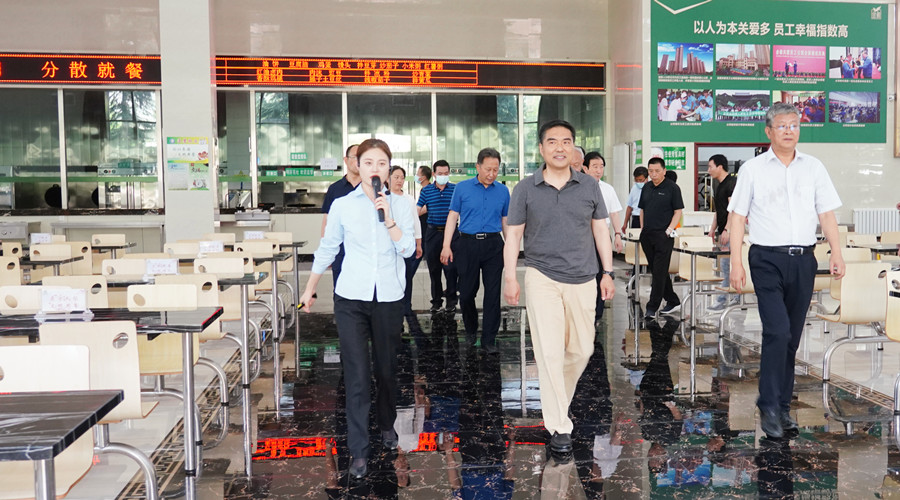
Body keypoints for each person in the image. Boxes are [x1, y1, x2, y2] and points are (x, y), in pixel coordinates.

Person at [299, 138, 416, 478]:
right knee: (357, 376)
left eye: (382, 163)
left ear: (389, 169)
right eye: (368, 163)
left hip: (389, 298)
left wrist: (389, 219)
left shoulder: (402, 205)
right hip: (351, 297)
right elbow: (328, 247)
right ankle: (359, 450)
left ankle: (387, 424)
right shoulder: (343, 205)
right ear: (357, 166)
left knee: (387, 371)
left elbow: (408, 250)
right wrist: (310, 287)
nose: (375, 169)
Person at [727, 102, 845, 439]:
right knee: (777, 331)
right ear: (769, 131)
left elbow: (826, 214)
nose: (789, 131)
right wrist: (736, 261)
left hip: (804, 260)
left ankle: (781, 406)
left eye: (794, 125)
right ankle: (767, 404)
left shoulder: (814, 167)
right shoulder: (753, 169)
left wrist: (836, 252)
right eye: (782, 126)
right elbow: (737, 217)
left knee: (791, 337)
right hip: (766, 259)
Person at [503, 119, 615, 457]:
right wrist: (511, 276)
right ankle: (559, 425)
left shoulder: (589, 186)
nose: (559, 147)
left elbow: (600, 230)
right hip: (542, 276)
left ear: (573, 148)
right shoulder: (525, 188)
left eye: (566, 141)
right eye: (552, 141)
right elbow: (514, 235)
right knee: (549, 352)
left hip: (584, 277)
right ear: (541, 148)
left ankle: (557, 401)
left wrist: (608, 272)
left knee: (581, 350)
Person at [440, 147, 509, 353]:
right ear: (478, 167)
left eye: (495, 170)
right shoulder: (462, 188)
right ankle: (471, 330)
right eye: (488, 169)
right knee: (467, 292)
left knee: (493, 293)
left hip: (493, 245)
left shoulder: (503, 191)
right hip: (467, 244)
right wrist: (446, 245)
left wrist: (511, 247)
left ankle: (489, 339)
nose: (492, 174)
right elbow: (453, 216)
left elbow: (505, 221)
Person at [639, 157, 684, 318]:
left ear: (664, 171)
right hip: (647, 235)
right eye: (650, 171)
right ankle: (673, 300)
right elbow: (642, 209)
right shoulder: (647, 187)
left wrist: (669, 230)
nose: (653, 174)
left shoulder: (672, 188)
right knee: (659, 270)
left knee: (658, 272)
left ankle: (652, 307)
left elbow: (678, 211)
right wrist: (643, 229)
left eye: (657, 171)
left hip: (663, 236)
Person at [583, 151, 624, 321]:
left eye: (601, 167)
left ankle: (597, 311)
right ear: (585, 168)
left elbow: (614, 213)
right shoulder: (579, 188)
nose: (598, 170)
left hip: (602, 235)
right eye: (594, 166)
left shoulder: (608, 189)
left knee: (602, 273)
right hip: (584, 237)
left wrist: (618, 234)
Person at [417, 160, 458, 314]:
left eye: (446, 173)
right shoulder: (427, 191)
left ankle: (451, 301)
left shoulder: (455, 189)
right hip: (432, 233)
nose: (443, 176)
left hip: (451, 234)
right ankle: (436, 302)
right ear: (434, 174)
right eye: (440, 173)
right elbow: (418, 209)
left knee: (451, 269)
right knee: (434, 270)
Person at [320, 144, 360, 286]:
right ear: (346, 160)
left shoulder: (371, 188)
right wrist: (326, 251)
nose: (358, 161)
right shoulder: (335, 189)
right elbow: (327, 221)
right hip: (340, 250)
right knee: (340, 289)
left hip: (364, 251)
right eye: (355, 157)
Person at [390, 166, 424, 323]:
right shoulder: (384, 198)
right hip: (390, 245)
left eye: (402, 178)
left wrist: (418, 243)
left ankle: (406, 305)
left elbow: (416, 222)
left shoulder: (409, 199)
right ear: (389, 178)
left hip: (407, 244)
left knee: (407, 275)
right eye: (396, 177)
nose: (399, 180)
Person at [707, 154, 737, 311]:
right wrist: (712, 229)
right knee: (726, 266)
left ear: (720, 167)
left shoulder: (731, 183)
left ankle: (723, 299)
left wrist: (727, 229)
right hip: (723, 231)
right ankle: (735, 297)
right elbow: (719, 210)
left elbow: (733, 210)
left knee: (727, 266)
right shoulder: (718, 185)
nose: (708, 170)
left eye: (710, 166)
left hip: (732, 232)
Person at [622, 166, 649, 233]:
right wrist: (625, 223)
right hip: (636, 219)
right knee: (635, 237)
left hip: (648, 219)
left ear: (646, 179)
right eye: (636, 180)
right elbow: (629, 207)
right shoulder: (634, 188)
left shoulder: (651, 188)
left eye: (641, 180)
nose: (638, 182)